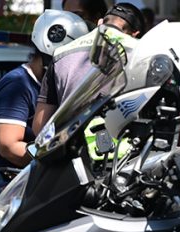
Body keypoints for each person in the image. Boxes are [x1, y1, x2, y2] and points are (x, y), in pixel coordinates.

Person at [0, 10, 89, 201]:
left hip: (29, 178)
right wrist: (54, 159)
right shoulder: (18, 85)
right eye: (65, 62)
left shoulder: (58, 87)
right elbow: (9, 146)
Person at [33, 2, 146, 134]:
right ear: (136, 33)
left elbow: (39, 126)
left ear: (100, 23)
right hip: (123, 143)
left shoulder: (60, 53)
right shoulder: (141, 52)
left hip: (71, 143)